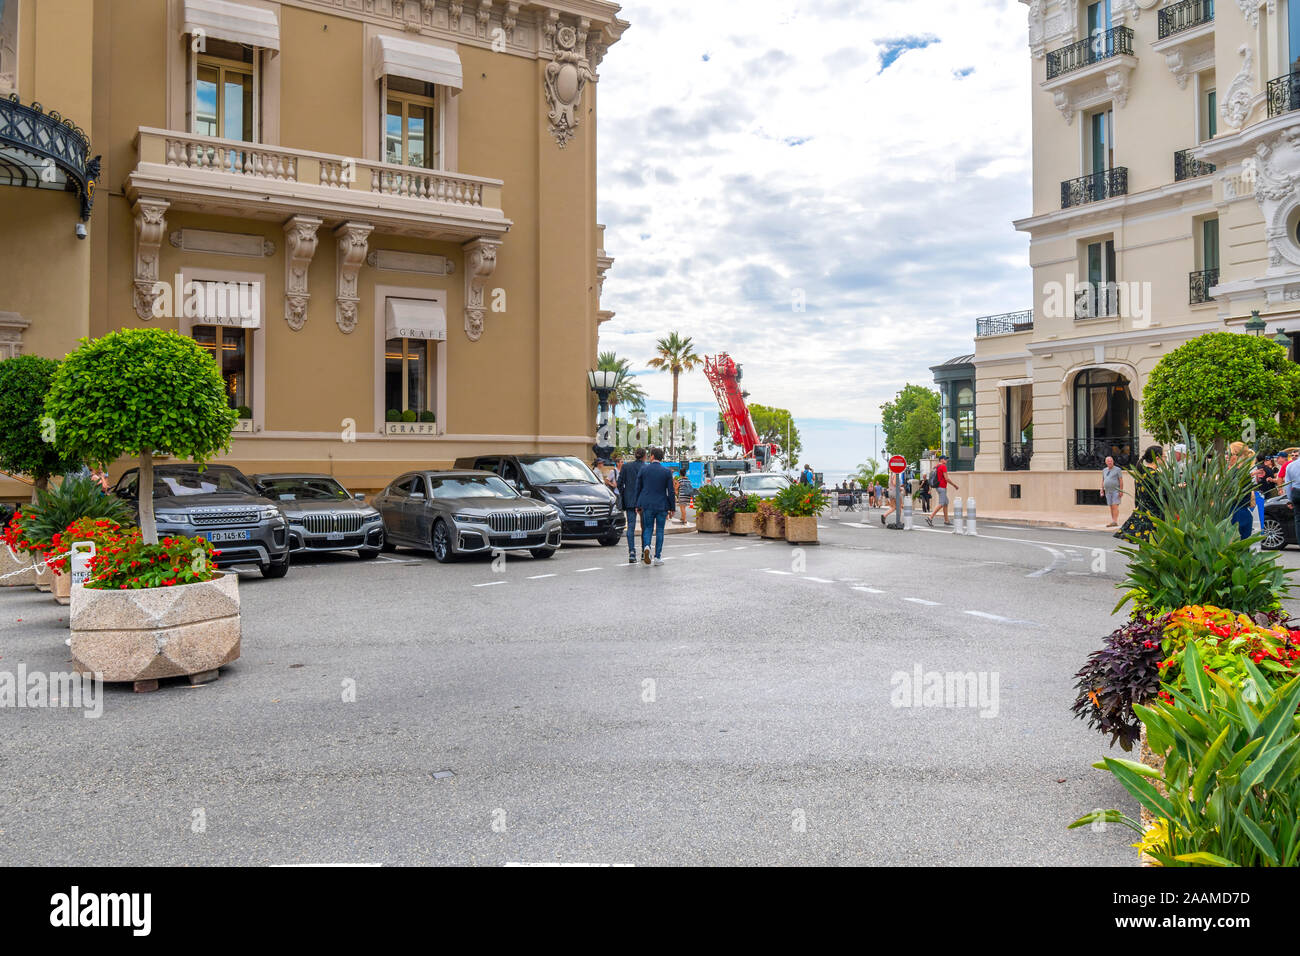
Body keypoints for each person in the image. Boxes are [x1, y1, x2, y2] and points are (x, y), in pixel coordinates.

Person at [632, 447, 676, 566]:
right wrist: (672, 508)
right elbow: (671, 491)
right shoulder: (666, 472)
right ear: (661, 458)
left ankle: (647, 546)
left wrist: (637, 504)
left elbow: (638, 488)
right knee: (660, 530)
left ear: (652, 456)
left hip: (647, 504)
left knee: (648, 528)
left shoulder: (644, 470)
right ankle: (657, 557)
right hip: (662, 505)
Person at [1115, 446, 1164, 542]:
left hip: (1142, 515)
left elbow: (1138, 497)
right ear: (1157, 458)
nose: (1165, 459)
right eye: (1164, 456)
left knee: (1144, 548)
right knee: (1154, 547)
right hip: (1154, 517)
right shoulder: (1155, 475)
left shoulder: (1141, 474)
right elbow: (1162, 495)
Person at [616, 447, 647, 564]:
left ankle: (632, 552)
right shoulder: (646, 467)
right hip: (643, 501)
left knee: (631, 527)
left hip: (629, 500)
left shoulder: (626, 467)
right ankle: (644, 552)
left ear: (635, 455)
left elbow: (619, 484)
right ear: (644, 456)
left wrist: (624, 495)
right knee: (645, 528)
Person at [1228, 442, 1257, 540]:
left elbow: (1233, 495)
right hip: (1242, 513)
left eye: (1229, 453)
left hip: (1236, 514)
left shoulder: (1237, 473)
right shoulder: (1243, 472)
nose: (1227, 456)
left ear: (1236, 455)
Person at [924, 455, 959, 527]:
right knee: (942, 503)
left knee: (946, 502)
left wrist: (930, 489)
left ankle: (946, 520)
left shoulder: (935, 467)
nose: (946, 460)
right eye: (945, 459)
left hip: (937, 487)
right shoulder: (943, 466)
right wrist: (954, 485)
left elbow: (931, 478)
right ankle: (930, 517)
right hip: (942, 487)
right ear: (941, 460)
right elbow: (946, 478)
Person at [1101, 455, 1124, 528]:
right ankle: (1113, 520)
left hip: (1116, 491)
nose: (1109, 462)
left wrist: (1121, 490)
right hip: (1108, 491)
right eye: (1108, 461)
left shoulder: (1118, 470)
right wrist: (1101, 489)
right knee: (1111, 506)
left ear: (1113, 461)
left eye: (1111, 461)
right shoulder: (1104, 470)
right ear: (1106, 462)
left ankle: (1115, 521)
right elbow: (1103, 480)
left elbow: (1121, 480)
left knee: (1115, 505)